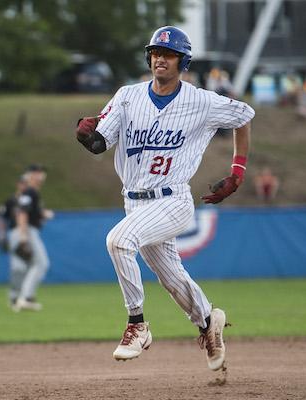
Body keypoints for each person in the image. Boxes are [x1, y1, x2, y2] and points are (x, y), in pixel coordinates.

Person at [76, 26, 254, 372]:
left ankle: (137, 325)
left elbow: (244, 115)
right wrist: (85, 134)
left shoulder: (201, 100)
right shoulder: (127, 96)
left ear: (182, 61)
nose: (161, 58)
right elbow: (100, 142)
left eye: (169, 54)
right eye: (156, 52)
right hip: (135, 201)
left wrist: (237, 172)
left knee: (118, 240)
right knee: (172, 278)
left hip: (173, 200)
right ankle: (209, 325)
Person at [9, 164, 53, 312]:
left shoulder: (32, 192)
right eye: (38, 173)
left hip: (28, 229)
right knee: (41, 263)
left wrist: (43, 214)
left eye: (41, 172)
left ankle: (23, 298)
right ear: (31, 175)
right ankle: (25, 298)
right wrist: (23, 237)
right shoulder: (29, 191)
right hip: (27, 230)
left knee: (31, 266)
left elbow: (30, 212)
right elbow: (22, 213)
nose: (41, 175)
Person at [0, 175, 28, 305]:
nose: (24, 186)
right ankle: (14, 296)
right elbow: (2, 219)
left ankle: (23, 296)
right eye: (22, 183)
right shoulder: (11, 201)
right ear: (18, 184)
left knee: (28, 267)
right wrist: (1, 235)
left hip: (28, 234)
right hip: (15, 234)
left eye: (25, 183)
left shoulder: (29, 199)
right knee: (17, 267)